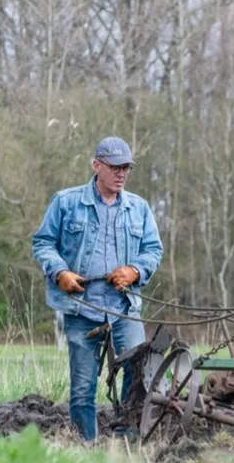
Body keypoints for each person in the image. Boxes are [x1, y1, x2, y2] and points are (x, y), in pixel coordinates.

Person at [32, 136, 163, 441]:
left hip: (124, 308)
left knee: (138, 379)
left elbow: (153, 250)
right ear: (96, 165)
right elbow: (43, 242)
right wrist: (59, 272)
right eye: (115, 167)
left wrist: (135, 270)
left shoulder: (139, 209)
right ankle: (86, 448)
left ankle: (128, 445)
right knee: (82, 388)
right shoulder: (66, 202)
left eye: (126, 168)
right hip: (81, 308)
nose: (121, 174)